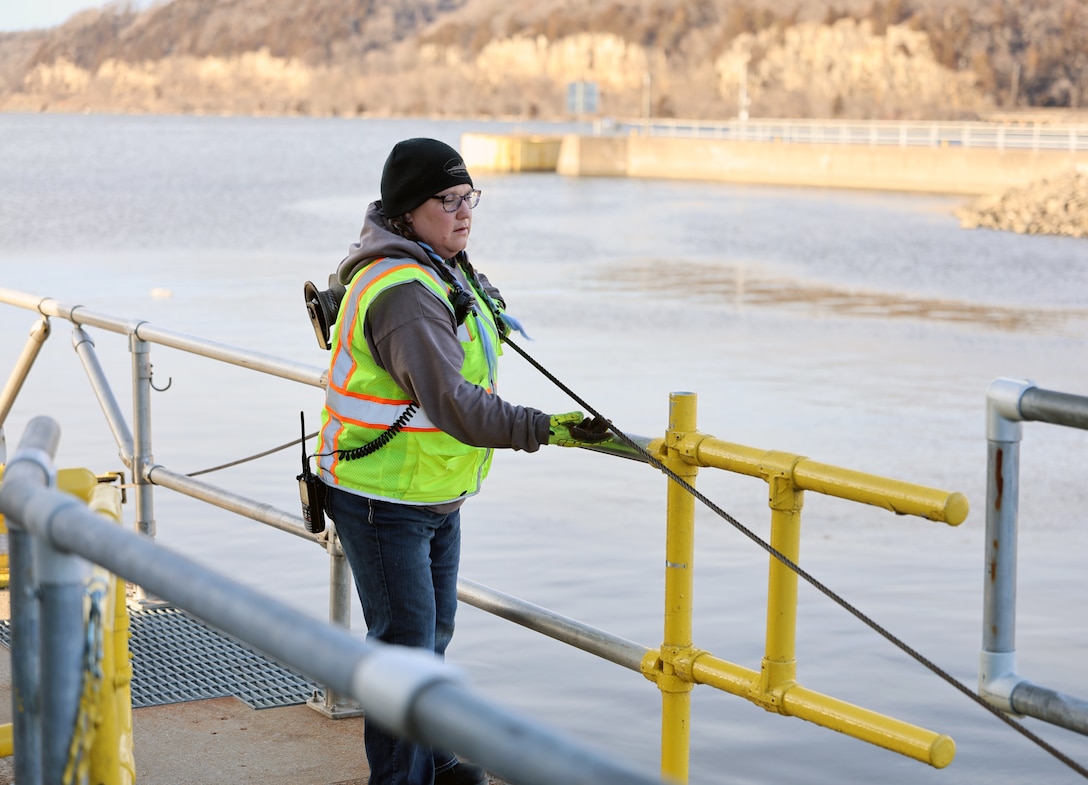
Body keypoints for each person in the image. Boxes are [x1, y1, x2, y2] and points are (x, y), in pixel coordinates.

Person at [314, 137, 609, 785]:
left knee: (431, 636)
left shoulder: (443, 267)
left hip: (431, 489)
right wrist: (548, 428)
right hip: (383, 497)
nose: (464, 211)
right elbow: (454, 404)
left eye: (468, 196)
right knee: (404, 650)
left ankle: (434, 760)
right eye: (446, 200)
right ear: (407, 211)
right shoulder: (404, 291)